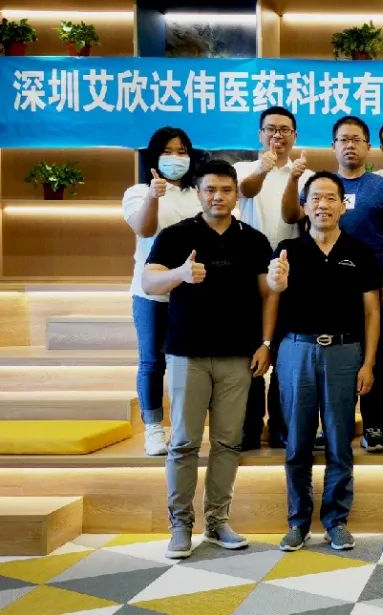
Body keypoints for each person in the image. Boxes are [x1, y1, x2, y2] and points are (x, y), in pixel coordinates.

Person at [142, 160, 275, 559]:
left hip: (239, 355)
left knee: (227, 442)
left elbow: (268, 294)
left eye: (226, 190)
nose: (218, 197)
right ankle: (180, 525)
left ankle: (217, 521)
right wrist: (179, 274)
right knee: (184, 442)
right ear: (198, 193)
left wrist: (266, 342)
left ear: (236, 194)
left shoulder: (254, 240)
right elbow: (149, 282)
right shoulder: (176, 235)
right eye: (210, 190)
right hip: (187, 354)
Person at [283, 115, 383, 453]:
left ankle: (375, 425)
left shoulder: (382, 187)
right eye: (343, 139)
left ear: (368, 147)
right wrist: (293, 179)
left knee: (378, 355)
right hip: (327, 288)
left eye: (357, 139)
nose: (350, 145)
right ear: (333, 146)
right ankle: (329, 427)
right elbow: (292, 217)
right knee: (331, 357)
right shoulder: (321, 185)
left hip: (374, 286)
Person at [271, 172, 382, 552]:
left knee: (339, 441)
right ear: (304, 206)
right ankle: (298, 522)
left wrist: (369, 363)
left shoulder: (359, 251)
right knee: (297, 442)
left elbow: (372, 312)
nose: (323, 205)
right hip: (296, 350)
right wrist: (269, 341)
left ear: (343, 205)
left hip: (344, 352)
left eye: (331, 198)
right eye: (315, 198)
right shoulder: (288, 250)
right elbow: (273, 297)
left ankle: (336, 520)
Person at [234, 106, 313, 451]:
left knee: (284, 354)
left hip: (291, 267)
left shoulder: (306, 175)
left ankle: (281, 427)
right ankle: (249, 428)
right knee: (248, 350)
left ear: (295, 136)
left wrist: (294, 177)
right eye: (270, 129)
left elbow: (294, 216)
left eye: (284, 130)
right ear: (260, 134)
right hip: (248, 267)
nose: (277, 135)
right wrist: (263, 169)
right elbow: (246, 191)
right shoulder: (243, 169)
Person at [122, 126, 202, 456]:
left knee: (190, 363)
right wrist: (154, 197)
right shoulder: (138, 192)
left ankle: (183, 425)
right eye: (167, 152)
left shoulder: (199, 192)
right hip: (152, 293)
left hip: (192, 291)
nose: (175, 158)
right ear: (154, 157)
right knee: (152, 361)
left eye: (182, 151)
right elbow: (144, 229)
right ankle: (154, 427)